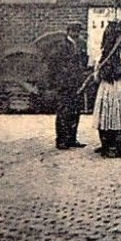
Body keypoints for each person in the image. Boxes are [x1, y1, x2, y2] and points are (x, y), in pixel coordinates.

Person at [92, 20, 121, 158]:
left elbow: (96, 78)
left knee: (105, 116)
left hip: (106, 88)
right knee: (120, 116)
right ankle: (120, 146)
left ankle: (106, 146)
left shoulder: (100, 56)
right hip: (120, 87)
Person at [48, 22, 87, 150]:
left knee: (75, 111)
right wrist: (61, 77)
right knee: (64, 112)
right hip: (65, 84)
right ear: (68, 31)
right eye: (74, 31)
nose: (76, 34)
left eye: (78, 31)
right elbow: (54, 64)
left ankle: (72, 138)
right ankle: (61, 140)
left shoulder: (81, 44)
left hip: (77, 83)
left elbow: (84, 61)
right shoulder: (61, 46)